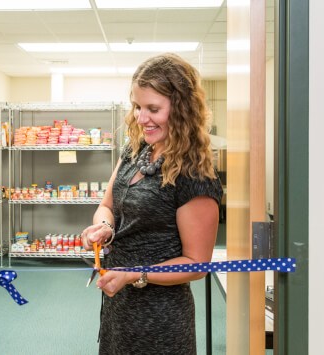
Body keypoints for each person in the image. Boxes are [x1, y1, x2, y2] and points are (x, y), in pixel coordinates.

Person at [81, 53, 223, 355]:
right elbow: (107, 204)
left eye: (153, 109)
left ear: (182, 109)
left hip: (160, 318)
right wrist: (104, 227)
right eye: (137, 106)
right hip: (118, 304)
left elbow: (196, 264)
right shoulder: (136, 151)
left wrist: (135, 274)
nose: (140, 118)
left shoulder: (194, 174)